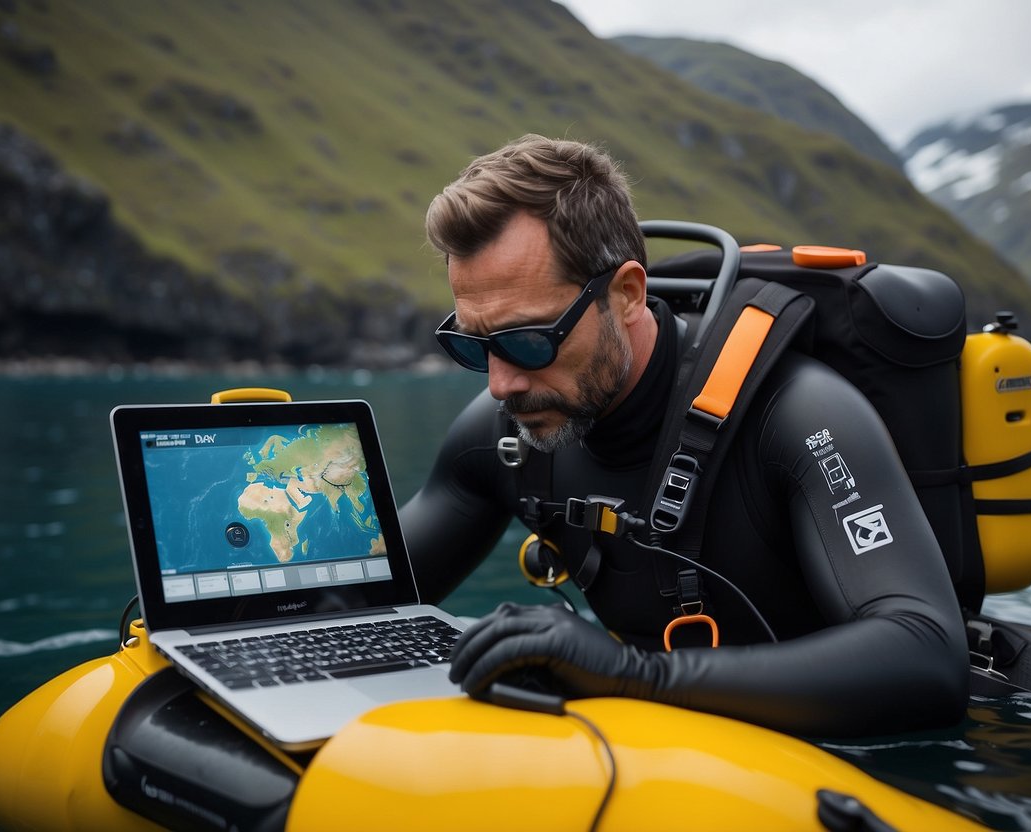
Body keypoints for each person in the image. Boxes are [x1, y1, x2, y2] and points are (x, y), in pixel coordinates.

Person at [399, 134, 969, 738]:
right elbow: (361, 595)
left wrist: (632, 677)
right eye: (473, 344)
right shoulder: (508, 430)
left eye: (527, 340)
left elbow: (929, 658)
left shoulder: (800, 413)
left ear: (626, 296)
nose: (499, 384)